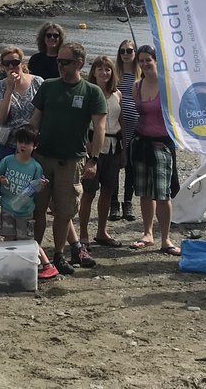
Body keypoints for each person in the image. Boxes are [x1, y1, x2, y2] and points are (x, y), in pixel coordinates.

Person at [29, 41, 105, 274]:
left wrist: (93, 159)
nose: (59, 65)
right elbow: (35, 119)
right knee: (38, 208)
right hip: (42, 158)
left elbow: (99, 126)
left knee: (64, 210)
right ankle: (36, 252)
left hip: (71, 161)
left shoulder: (92, 91)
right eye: (58, 61)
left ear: (79, 63)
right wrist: (25, 150)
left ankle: (59, 254)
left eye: (65, 61)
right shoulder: (48, 86)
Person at [128, 45, 180, 258]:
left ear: (156, 61)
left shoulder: (167, 86)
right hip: (141, 142)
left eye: (148, 60)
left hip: (162, 145)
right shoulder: (137, 86)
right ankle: (147, 233)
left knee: (162, 193)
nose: (144, 64)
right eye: (141, 60)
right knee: (144, 192)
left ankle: (165, 238)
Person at [0, 126, 58, 280]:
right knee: (8, 237)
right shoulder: (8, 160)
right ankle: (9, 266)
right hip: (7, 207)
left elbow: (36, 188)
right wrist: (1, 179)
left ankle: (47, 264)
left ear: (34, 146)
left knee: (27, 241)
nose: (22, 145)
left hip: (25, 211)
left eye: (27, 143)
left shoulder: (35, 166)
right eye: (20, 142)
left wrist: (41, 185)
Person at [79, 56, 122, 248]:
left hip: (114, 146)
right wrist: (87, 146)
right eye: (100, 69)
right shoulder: (87, 92)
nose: (104, 73)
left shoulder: (117, 94)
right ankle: (83, 234)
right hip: (92, 145)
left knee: (108, 191)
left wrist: (125, 149)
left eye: (108, 69)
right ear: (93, 72)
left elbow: (121, 122)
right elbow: (81, 122)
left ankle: (102, 231)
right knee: (89, 192)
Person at [0, 46, 44, 166]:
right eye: (7, 63)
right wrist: (9, 89)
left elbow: (42, 112)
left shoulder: (38, 82)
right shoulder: (0, 85)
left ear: (22, 63)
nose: (11, 67)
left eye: (15, 63)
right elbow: (1, 118)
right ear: (2, 66)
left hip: (31, 144)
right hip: (7, 143)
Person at [114, 39, 140, 221]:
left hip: (136, 126)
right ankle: (113, 203)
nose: (125, 54)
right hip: (116, 124)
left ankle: (128, 202)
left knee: (131, 165)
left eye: (129, 51)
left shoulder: (141, 75)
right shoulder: (116, 73)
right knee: (115, 165)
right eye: (122, 51)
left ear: (135, 53)